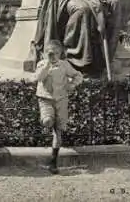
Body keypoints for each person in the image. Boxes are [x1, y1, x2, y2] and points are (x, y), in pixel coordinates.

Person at [35, 40, 83, 174]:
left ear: (61, 54)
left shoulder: (64, 65)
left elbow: (78, 75)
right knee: (47, 120)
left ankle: (53, 162)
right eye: (49, 52)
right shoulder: (42, 64)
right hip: (46, 99)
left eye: (56, 53)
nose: (53, 55)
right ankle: (47, 121)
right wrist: (47, 65)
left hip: (61, 100)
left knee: (59, 130)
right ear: (44, 53)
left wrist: (72, 85)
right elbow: (38, 77)